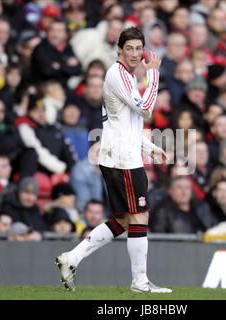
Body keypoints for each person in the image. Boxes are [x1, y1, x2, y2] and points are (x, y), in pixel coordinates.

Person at [55, 27, 172, 293]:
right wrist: (153, 73)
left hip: (119, 154)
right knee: (140, 216)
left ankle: (72, 258)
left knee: (123, 220)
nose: (134, 53)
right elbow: (146, 110)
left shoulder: (126, 77)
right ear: (120, 49)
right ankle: (139, 282)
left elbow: (125, 122)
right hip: (123, 159)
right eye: (128, 48)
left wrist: (149, 146)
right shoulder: (117, 75)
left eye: (138, 48)